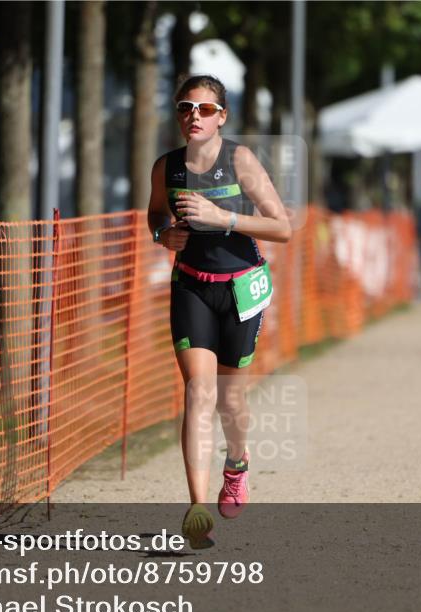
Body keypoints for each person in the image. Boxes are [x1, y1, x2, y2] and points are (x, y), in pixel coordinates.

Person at [147, 75, 291, 548]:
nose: (195, 115)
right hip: (191, 287)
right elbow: (155, 213)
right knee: (198, 392)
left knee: (230, 400)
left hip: (239, 291)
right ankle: (196, 508)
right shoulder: (165, 167)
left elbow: (282, 227)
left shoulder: (240, 160)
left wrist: (222, 218)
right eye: (186, 107)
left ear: (221, 116)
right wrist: (162, 234)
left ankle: (238, 463)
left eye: (206, 109)